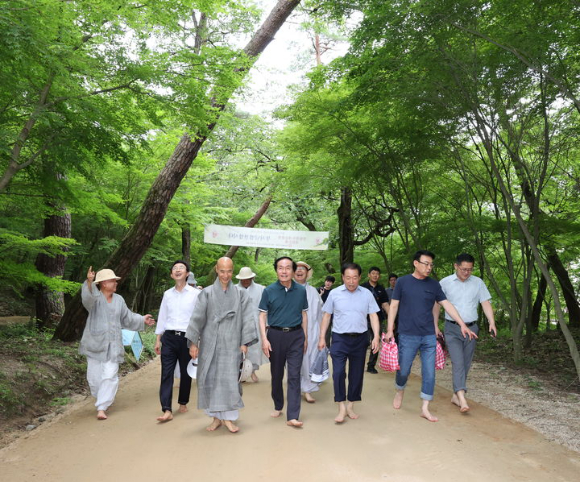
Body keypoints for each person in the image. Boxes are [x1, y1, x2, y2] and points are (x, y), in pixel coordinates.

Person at [386, 250, 477, 422]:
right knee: (404, 369)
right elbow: (393, 306)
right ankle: (400, 390)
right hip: (407, 334)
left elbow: (446, 305)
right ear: (416, 263)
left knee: (429, 373)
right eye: (426, 263)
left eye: (431, 264)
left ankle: (425, 408)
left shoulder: (434, 285)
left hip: (428, 336)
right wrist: (390, 329)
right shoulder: (403, 282)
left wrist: (463, 325)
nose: (429, 267)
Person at [185, 257, 257, 433]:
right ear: (217, 269)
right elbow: (197, 318)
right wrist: (193, 343)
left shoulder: (241, 294)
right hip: (210, 342)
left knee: (229, 380)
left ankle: (229, 419)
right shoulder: (207, 293)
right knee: (210, 379)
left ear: (233, 271)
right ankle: (216, 418)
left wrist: (244, 342)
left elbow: (248, 319)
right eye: (222, 271)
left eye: (229, 271)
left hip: (232, 342)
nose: (226, 275)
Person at [79, 267, 155, 420]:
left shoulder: (119, 299)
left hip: (113, 344)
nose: (115, 283)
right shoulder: (94, 298)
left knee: (110, 374)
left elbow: (127, 317)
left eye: (115, 280)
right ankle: (101, 396)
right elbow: (87, 298)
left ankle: (102, 406)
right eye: (112, 280)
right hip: (95, 342)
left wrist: (142, 319)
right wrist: (89, 281)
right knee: (94, 378)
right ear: (103, 283)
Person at [318, 263, 380, 423]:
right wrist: (321, 338)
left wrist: (376, 337)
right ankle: (341, 406)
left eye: (354, 278)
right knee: (338, 373)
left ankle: (351, 405)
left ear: (360, 277)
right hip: (339, 338)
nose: (351, 281)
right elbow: (326, 316)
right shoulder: (335, 294)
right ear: (342, 277)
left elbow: (373, 316)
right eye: (348, 278)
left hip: (360, 339)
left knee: (356, 374)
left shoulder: (367, 294)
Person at [438, 253, 497, 413]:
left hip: (472, 329)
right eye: (463, 269)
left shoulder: (478, 282)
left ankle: (456, 395)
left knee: (466, 363)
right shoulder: (445, 282)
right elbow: (436, 305)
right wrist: (435, 325)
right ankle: (462, 397)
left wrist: (491, 322)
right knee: (458, 362)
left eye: (470, 270)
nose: (466, 272)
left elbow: (485, 302)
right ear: (456, 266)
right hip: (452, 328)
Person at [259, 256, 308, 428]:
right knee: (277, 374)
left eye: (288, 268)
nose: (284, 271)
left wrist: (306, 337)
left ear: (293, 271)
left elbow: (304, 314)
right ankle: (278, 404)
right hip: (275, 336)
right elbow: (262, 315)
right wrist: (264, 339)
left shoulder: (301, 291)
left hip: (296, 336)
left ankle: (292, 415)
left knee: (294, 376)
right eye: (281, 267)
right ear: (276, 270)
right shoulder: (269, 291)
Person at [154, 260, 200, 423]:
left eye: (181, 268)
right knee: (166, 373)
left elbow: (198, 319)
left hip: (187, 338)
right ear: (171, 274)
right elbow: (162, 317)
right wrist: (158, 339)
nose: (178, 270)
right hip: (169, 338)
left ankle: (183, 402)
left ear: (187, 274)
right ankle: (166, 409)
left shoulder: (195, 294)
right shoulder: (168, 294)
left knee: (186, 372)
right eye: (175, 268)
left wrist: (195, 343)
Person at [294, 261, 324, 403]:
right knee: (293, 361)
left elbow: (321, 313)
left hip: (312, 331)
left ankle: (307, 390)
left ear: (307, 273)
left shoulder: (313, 292)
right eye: (297, 269)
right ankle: (295, 388)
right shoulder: (288, 289)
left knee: (309, 360)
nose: (299, 271)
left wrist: (321, 335)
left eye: (303, 269)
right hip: (292, 331)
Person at [235, 266, 266, 382]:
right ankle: (241, 372)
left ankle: (252, 371)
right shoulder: (234, 289)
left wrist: (266, 324)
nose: (245, 281)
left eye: (248, 278)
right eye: (243, 279)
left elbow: (265, 309)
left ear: (252, 277)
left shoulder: (261, 289)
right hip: (239, 324)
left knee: (254, 349)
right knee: (239, 349)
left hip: (255, 323)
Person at [361, 267, 390, 374]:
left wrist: (391, 319)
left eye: (377, 274)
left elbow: (385, 304)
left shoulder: (381, 289)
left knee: (376, 341)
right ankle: (359, 363)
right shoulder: (362, 287)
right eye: (373, 273)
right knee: (363, 342)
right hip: (363, 319)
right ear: (369, 275)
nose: (375, 275)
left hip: (377, 318)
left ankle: (371, 365)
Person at [319, 275, 336, 347]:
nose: (328, 283)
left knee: (330, 332)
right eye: (327, 281)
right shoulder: (319, 289)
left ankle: (328, 346)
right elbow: (315, 301)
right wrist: (321, 294)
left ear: (332, 283)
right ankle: (324, 346)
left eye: (330, 282)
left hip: (332, 314)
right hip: (321, 314)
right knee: (324, 330)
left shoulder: (334, 292)